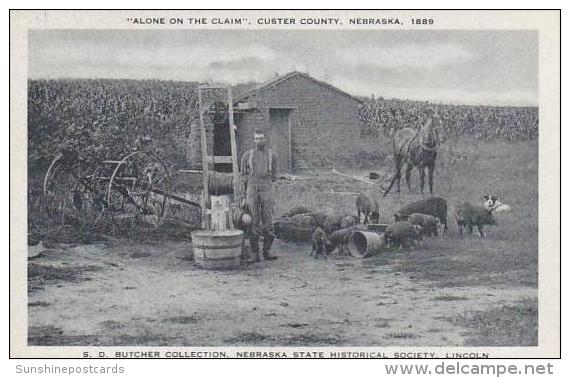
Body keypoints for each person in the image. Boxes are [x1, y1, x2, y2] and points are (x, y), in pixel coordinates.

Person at [240, 129, 279, 263]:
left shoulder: (272, 155)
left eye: (261, 138)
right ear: (253, 140)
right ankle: (254, 254)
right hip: (251, 189)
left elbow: (274, 176)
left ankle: (267, 251)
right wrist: (244, 197)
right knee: (253, 222)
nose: (258, 141)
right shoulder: (247, 155)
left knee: (268, 223)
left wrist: (266, 189)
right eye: (256, 138)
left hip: (266, 189)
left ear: (265, 139)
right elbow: (243, 177)